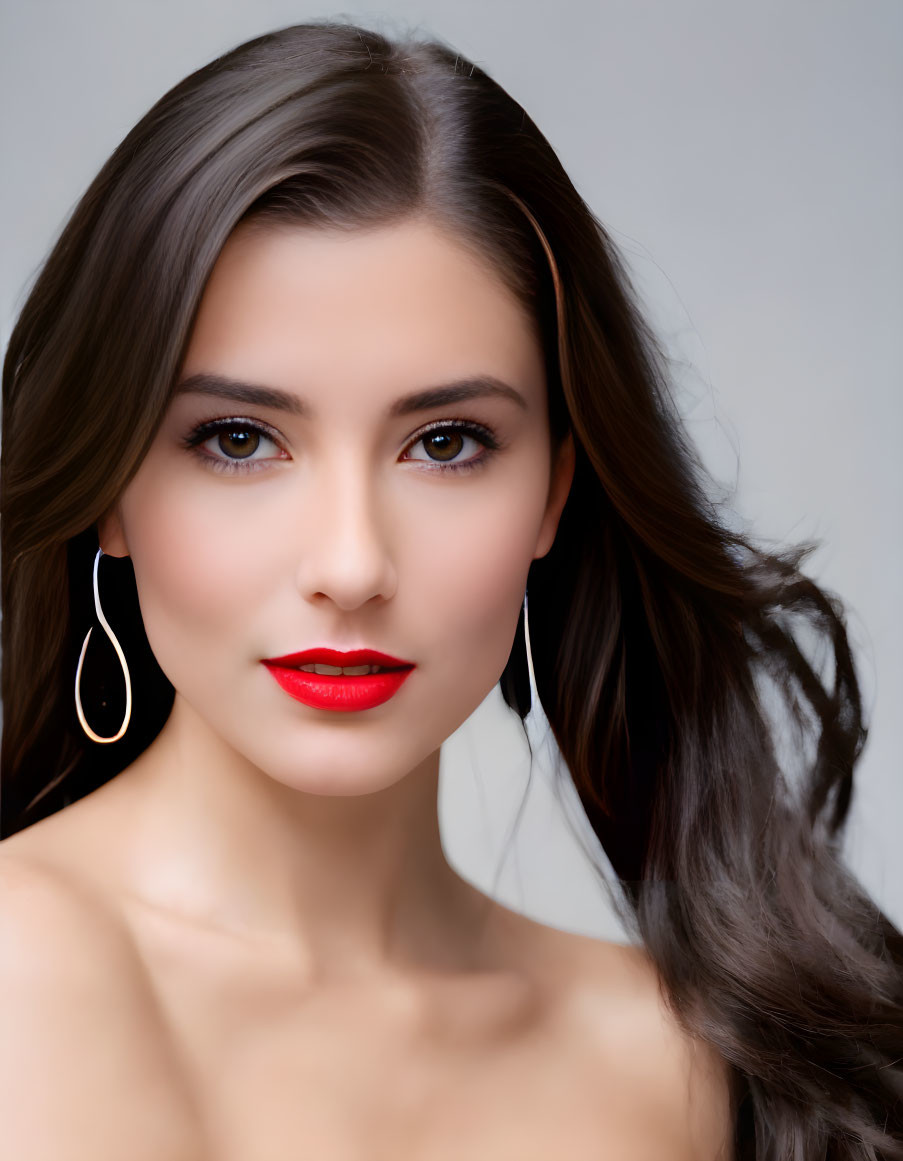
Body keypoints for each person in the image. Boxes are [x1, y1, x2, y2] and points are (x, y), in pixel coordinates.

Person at [0, 19, 900, 1161]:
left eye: (445, 444)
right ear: (108, 489)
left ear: (554, 496)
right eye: (237, 439)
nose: (350, 566)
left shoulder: (671, 1077)